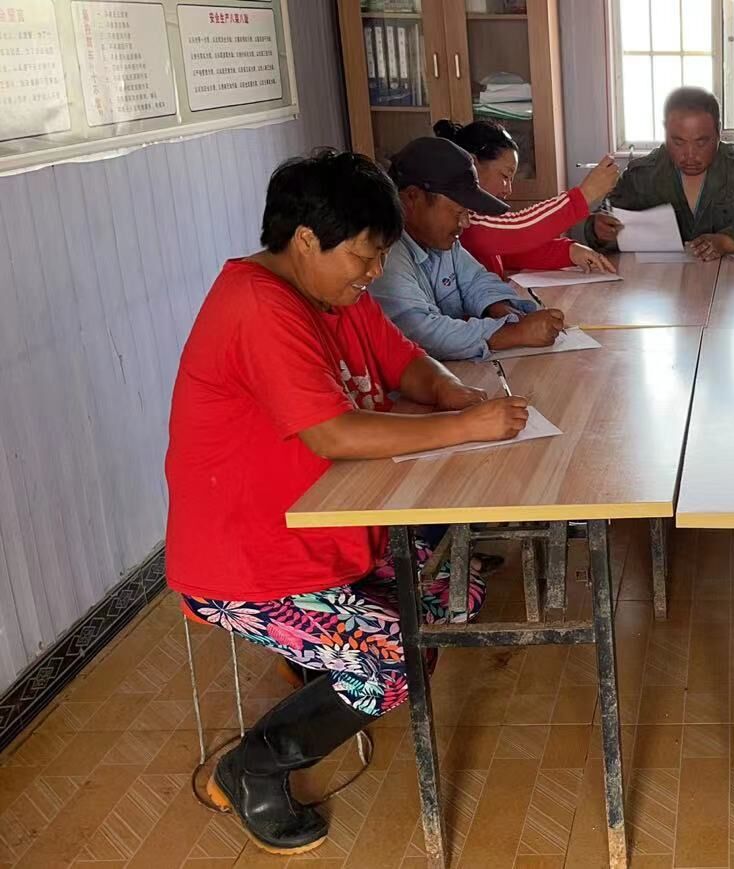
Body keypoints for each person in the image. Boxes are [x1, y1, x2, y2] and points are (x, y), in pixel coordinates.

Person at [165, 150, 529, 855]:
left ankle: (318, 666)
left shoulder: (336, 293)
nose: (372, 272)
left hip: (327, 528)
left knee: (455, 589)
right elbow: (332, 433)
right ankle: (252, 768)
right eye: (364, 255)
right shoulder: (258, 305)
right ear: (306, 240)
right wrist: (466, 426)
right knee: (397, 659)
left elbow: (401, 360)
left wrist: (451, 392)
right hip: (250, 561)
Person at [373, 136, 567, 361]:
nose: (465, 223)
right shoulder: (384, 255)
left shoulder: (442, 242)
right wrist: (514, 334)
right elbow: (423, 333)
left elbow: (476, 280)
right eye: (459, 212)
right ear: (412, 199)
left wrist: (501, 308)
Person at [582, 87, 734, 261]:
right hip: (659, 286)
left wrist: (726, 242)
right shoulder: (642, 174)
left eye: (701, 142)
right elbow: (600, 222)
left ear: (718, 132)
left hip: (732, 284)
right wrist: (599, 230)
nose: (690, 155)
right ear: (665, 132)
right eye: (678, 142)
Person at [432, 119, 619, 277]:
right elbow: (520, 228)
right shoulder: (462, 220)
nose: (508, 190)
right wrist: (584, 194)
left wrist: (569, 251)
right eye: (505, 176)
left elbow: (513, 252)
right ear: (472, 164)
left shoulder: (476, 219)